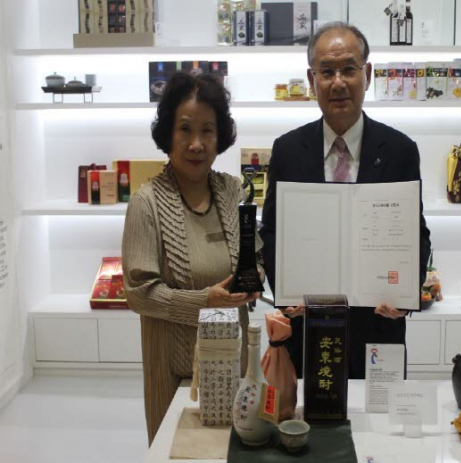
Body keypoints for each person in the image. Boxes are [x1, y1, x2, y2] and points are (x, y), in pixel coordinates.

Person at [260, 22, 431, 379]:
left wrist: (406, 296)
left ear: (367, 75)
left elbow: (416, 234)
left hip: (378, 327)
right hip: (307, 328)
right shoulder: (287, 150)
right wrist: (286, 294)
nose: (338, 82)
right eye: (327, 71)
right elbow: (272, 233)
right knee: (305, 413)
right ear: (312, 80)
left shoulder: (400, 150)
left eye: (349, 69)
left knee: (380, 413)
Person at [122, 72, 262, 444]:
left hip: (233, 364)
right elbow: (139, 294)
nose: (196, 144)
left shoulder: (232, 191)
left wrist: (255, 277)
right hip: (174, 371)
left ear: (221, 136)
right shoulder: (146, 204)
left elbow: (254, 256)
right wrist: (204, 302)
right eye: (185, 129)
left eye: (207, 131)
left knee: (233, 449)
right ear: (168, 133)